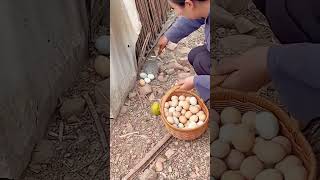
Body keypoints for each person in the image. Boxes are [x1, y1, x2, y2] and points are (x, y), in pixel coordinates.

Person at [179, 0, 320, 129]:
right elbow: (199, 11)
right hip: (294, 45)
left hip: (303, 56)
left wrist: (272, 60)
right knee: (198, 57)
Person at [158, 0, 211, 75]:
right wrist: (167, 36)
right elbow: (194, 17)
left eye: (174, 8)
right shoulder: (205, 7)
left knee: (201, 61)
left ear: (189, 4)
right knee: (194, 55)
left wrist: (196, 82)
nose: (176, 13)